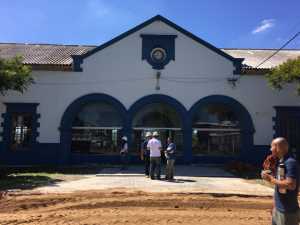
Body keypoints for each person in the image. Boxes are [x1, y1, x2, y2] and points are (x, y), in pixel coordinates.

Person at [261, 137, 300, 225]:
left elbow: (291, 184)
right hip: (278, 209)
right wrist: (275, 207)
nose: (270, 149)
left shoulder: (290, 162)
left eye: (272, 147)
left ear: (278, 148)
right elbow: (279, 185)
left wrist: (270, 179)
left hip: (288, 212)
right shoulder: (281, 162)